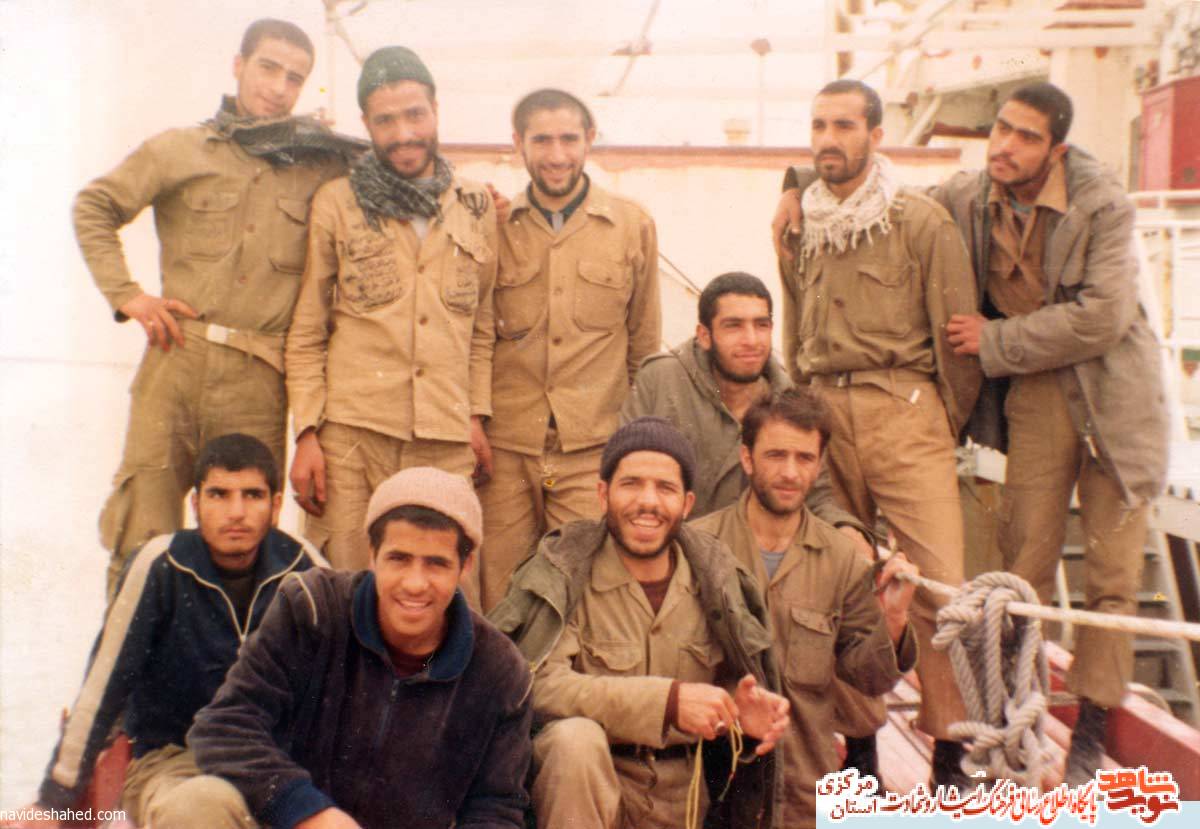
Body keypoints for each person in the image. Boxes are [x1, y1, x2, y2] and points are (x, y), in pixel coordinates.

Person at [75, 19, 363, 597]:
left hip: (258, 382)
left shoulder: (319, 164)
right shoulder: (179, 149)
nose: (278, 87)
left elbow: (395, 176)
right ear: (238, 65)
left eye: (294, 78)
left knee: (242, 542)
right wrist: (128, 295)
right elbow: (94, 206)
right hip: (175, 363)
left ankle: (234, 660)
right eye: (268, 68)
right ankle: (128, 657)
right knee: (142, 534)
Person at [937, 83, 1169, 783]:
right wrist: (799, 180)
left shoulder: (1104, 205)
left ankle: (1090, 731)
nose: (1005, 145)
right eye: (1001, 129)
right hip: (1038, 395)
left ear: (1057, 150)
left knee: (1112, 579)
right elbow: (890, 196)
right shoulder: (971, 194)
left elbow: (1102, 318)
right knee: (1021, 571)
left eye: (1026, 136)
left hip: (1117, 401)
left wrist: (995, 339)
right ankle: (1018, 718)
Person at [776, 79, 981, 786]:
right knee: (841, 578)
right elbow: (795, 321)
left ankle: (951, 747)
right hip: (825, 411)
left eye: (844, 125)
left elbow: (956, 340)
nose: (828, 139)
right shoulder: (803, 222)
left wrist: (934, 419)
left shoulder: (918, 220)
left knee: (938, 586)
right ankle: (858, 743)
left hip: (905, 408)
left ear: (876, 134)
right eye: (818, 125)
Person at [2, 434, 324, 829]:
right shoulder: (160, 565)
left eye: (252, 495)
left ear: (275, 506)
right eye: (219, 495)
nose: (236, 512)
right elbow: (101, 689)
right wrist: (55, 802)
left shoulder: (305, 568)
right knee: (202, 806)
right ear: (195, 504)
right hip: (177, 763)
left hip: (277, 766)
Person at [189, 467, 532, 829]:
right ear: (372, 554)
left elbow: (496, 809)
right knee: (197, 801)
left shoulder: (500, 670)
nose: (415, 584)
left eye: (436, 564)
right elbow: (225, 726)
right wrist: (308, 812)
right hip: (291, 824)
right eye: (399, 558)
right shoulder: (312, 609)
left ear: (466, 565)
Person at [489, 417, 790, 829]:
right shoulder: (565, 575)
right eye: (631, 484)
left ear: (687, 504)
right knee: (574, 741)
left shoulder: (717, 583)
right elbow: (539, 686)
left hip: (684, 802)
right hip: (589, 795)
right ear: (603, 494)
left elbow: (733, 697)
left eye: (665, 488)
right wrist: (666, 702)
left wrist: (741, 718)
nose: (647, 502)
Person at [286, 47, 498, 570]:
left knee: (440, 590)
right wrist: (307, 433)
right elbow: (308, 329)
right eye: (386, 121)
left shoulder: (476, 204)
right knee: (346, 586)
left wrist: (474, 414)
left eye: (415, 115)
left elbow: (481, 328)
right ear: (366, 124)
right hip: (352, 441)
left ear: (435, 111)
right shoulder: (336, 202)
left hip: (444, 439)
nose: (404, 133)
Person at [692, 388, 919, 827]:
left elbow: (870, 679)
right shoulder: (698, 548)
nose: (790, 473)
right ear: (746, 458)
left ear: (819, 465)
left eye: (805, 458)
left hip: (801, 800)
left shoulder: (842, 559)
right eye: (776, 455)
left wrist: (892, 617)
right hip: (709, 792)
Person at [476, 88, 661, 611]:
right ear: (518, 143)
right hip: (508, 449)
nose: (556, 155)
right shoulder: (494, 225)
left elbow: (644, 348)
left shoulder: (631, 225)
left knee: (589, 593)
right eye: (541, 140)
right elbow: (477, 334)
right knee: (501, 596)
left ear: (589, 139)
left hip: (589, 450)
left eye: (568, 139)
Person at [622, 271, 871, 548]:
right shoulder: (661, 380)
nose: (751, 340)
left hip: (748, 557)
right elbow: (627, 476)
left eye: (761, 325)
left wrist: (845, 528)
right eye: (734, 326)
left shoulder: (788, 399)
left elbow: (815, 495)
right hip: (666, 547)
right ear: (704, 335)